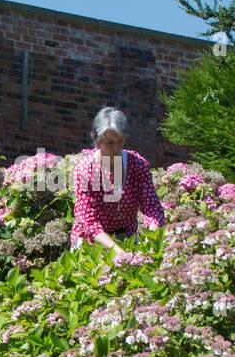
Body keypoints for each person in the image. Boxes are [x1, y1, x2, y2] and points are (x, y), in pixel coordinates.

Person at [70, 107, 165, 254]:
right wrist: (119, 253)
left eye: (120, 141)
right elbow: (89, 222)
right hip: (91, 244)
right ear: (97, 141)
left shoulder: (137, 164)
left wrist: (150, 240)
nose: (116, 148)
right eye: (109, 143)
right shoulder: (86, 170)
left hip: (127, 238)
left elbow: (152, 207)